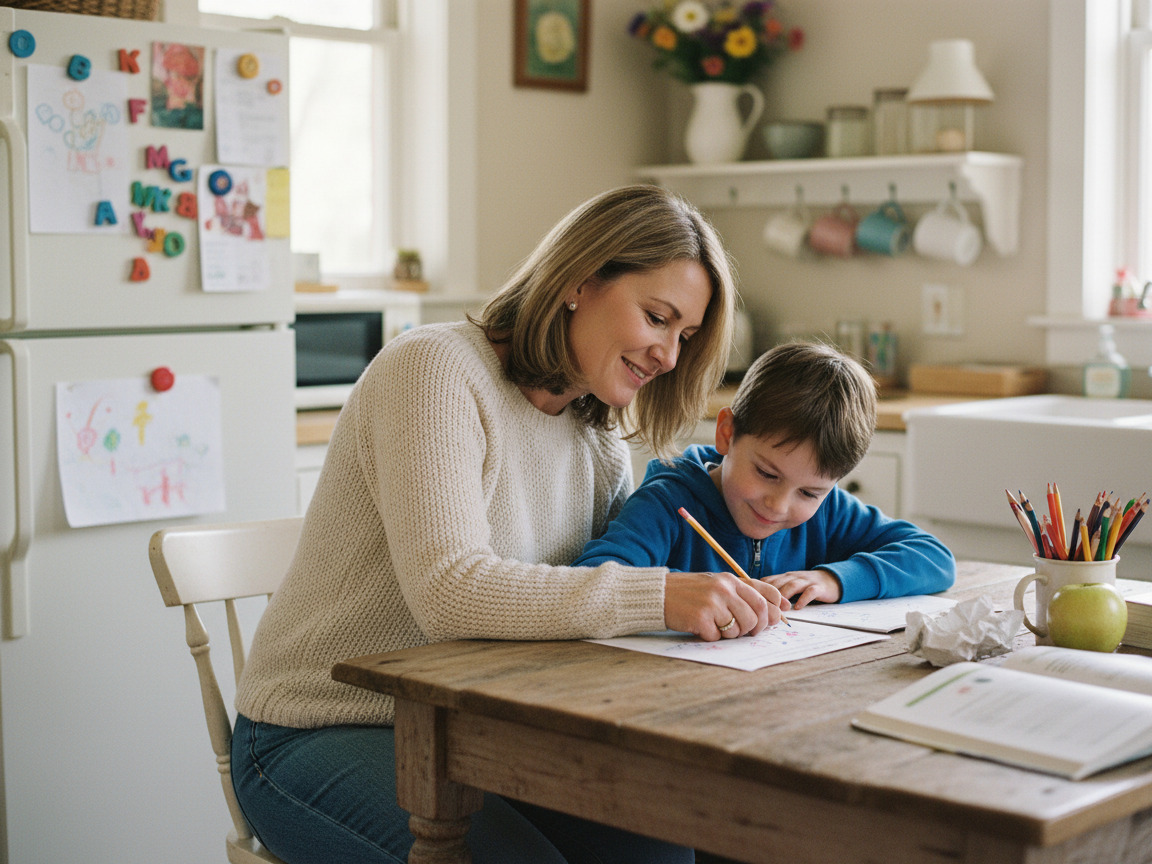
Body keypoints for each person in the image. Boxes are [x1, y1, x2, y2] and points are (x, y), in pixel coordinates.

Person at [230, 184, 787, 864]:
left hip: (475, 732)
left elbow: (584, 605)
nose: (669, 355)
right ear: (580, 281)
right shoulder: (434, 370)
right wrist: (661, 595)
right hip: (319, 726)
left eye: (685, 337)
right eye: (656, 318)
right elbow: (449, 594)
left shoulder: (598, 441)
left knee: (666, 846)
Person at [574, 341, 956, 612]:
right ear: (727, 434)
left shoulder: (828, 512)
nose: (778, 505)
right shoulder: (668, 502)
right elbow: (589, 579)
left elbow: (934, 558)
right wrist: (677, 593)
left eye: (809, 492)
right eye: (767, 473)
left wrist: (835, 580)